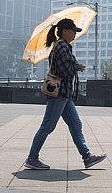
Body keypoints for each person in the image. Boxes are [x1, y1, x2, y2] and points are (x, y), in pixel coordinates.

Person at [25, 18, 107, 170]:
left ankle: (87, 157)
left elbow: (65, 67)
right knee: (48, 126)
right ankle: (32, 158)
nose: (74, 34)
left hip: (65, 95)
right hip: (60, 94)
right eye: (73, 31)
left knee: (76, 124)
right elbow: (65, 71)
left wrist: (75, 66)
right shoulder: (61, 46)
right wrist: (76, 67)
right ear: (65, 31)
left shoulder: (64, 46)